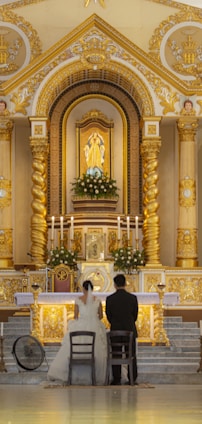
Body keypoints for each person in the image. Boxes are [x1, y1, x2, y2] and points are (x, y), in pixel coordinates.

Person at [47, 280, 107, 385]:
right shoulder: (97, 300)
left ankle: (73, 374)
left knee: (72, 347)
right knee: (99, 349)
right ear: (92, 289)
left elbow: (75, 316)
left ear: (83, 289)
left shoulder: (78, 300)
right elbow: (101, 316)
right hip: (95, 326)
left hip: (80, 325)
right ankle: (95, 376)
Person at [106, 274, 138, 385]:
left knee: (116, 354)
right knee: (131, 354)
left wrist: (115, 324)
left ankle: (117, 378)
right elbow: (135, 315)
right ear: (125, 284)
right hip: (129, 330)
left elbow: (108, 315)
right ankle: (132, 378)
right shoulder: (132, 298)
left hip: (115, 330)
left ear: (114, 285)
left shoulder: (110, 299)